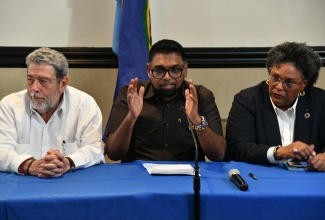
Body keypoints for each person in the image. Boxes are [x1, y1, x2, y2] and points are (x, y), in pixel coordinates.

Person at [106, 39, 226, 162]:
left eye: (175, 70)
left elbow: (218, 155)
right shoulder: (132, 94)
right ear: (148, 70)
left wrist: (197, 120)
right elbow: (113, 154)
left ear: (185, 69)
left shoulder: (200, 96)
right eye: (159, 70)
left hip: (187, 177)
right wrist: (130, 118)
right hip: (140, 177)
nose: (167, 77)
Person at [0, 47, 104, 177]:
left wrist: (68, 162)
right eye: (30, 79)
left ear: (63, 84)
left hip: (70, 184)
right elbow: (1, 150)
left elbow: (95, 148)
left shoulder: (85, 105)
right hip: (23, 186)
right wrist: (30, 165)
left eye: (43, 81)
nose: (34, 88)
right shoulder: (10, 106)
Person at [226, 42, 325, 172]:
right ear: (269, 71)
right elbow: (239, 148)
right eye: (275, 77)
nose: (278, 87)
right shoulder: (247, 100)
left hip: (310, 180)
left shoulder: (320, 101)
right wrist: (278, 152)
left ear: (304, 84)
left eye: (289, 82)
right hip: (261, 178)